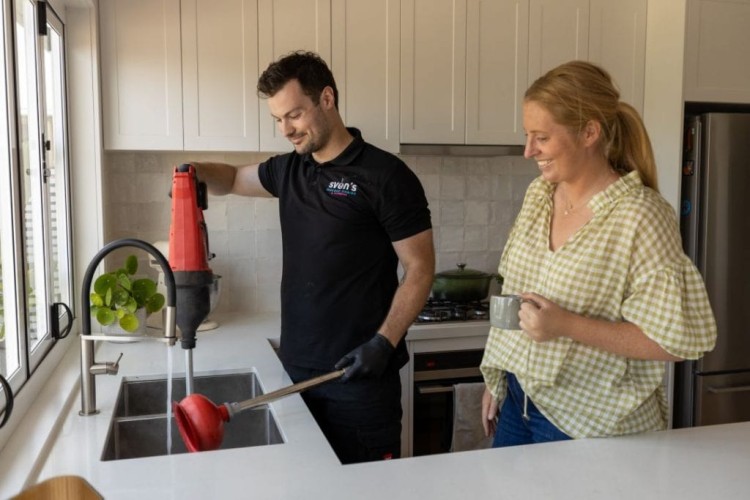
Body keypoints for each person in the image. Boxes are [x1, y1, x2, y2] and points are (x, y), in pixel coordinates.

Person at [184, 51, 434, 464]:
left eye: (294, 114)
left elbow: (421, 269)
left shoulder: (386, 176)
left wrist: (383, 343)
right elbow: (229, 178)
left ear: (327, 99)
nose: (286, 129)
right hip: (297, 373)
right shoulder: (289, 171)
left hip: (360, 379)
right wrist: (192, 171)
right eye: (278, 119)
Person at [480, 60, 717, 447]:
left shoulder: (640, 215)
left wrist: (566, 325)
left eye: (541, 137)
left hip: (593, 424)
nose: (528, 151)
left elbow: (675, 341)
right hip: (519, 402)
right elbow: (515, 293)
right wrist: (499, 373)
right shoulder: (539, 196)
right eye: (527, 135)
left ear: (589, 131)